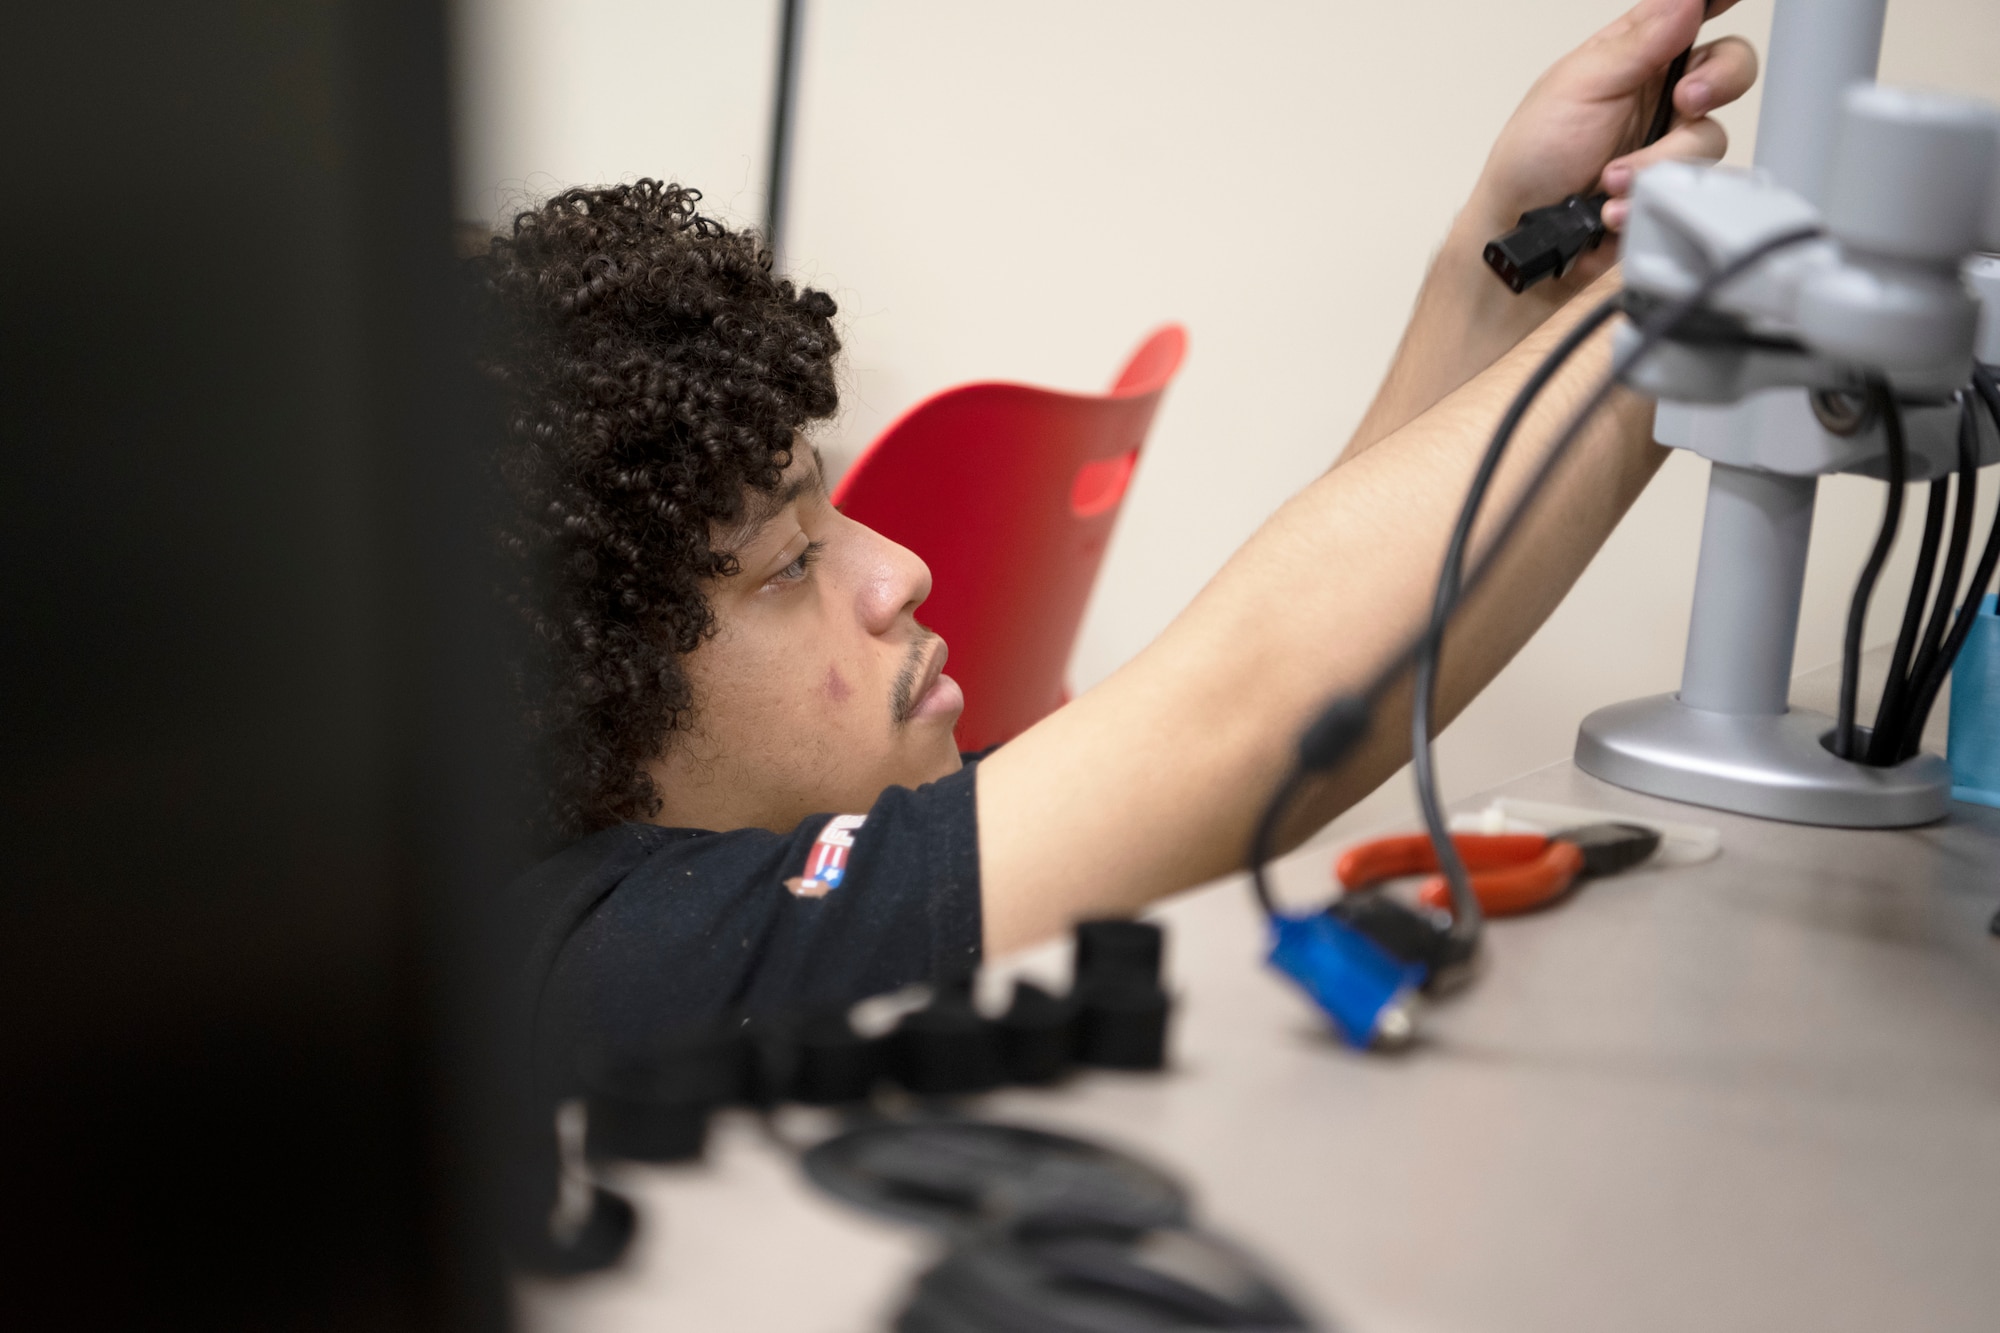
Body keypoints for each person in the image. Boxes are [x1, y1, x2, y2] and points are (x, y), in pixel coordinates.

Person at [481, 0, 1757, 1069]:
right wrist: (1690, 309)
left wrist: (1509, 257)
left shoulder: (702, 875)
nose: (900, 571)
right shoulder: (596, 965)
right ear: (582, 705)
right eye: (789, 563)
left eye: (834, 508)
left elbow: (1251, 684)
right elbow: (1243, 715)